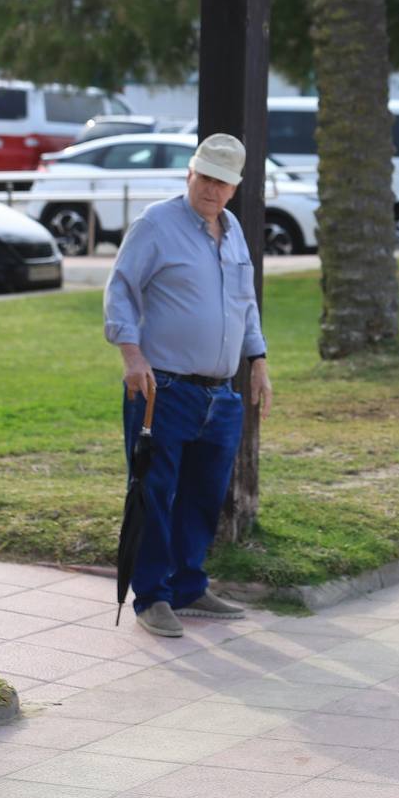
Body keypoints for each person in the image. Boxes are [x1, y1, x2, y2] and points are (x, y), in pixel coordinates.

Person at [103, 133, 273, 638]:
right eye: (207, 178)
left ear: (235, 188)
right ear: (190, 174)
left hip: (221, 394)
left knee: (204, 495)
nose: (213, 190)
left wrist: (258, 360)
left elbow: (244, 302)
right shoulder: (156, 223)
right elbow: (120, 291)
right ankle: (152, 596)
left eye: (224, 183)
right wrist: (131, 356)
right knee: (155, 492)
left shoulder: (234, 228)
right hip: (164, 389)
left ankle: (189, 584)